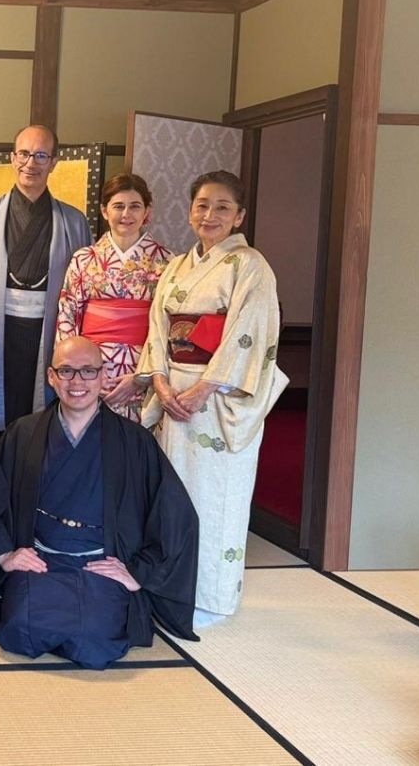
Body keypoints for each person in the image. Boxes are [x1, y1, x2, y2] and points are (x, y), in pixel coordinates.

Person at [0, 337, 198, 669]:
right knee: (19, 630)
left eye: (88, 371)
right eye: (66, 371)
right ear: (51, 377)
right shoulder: (23, 433)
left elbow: (175, 515)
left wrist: (138, 573)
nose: (77, 382)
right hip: (39, 558)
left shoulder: (134, 441)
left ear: (104, 376)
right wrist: (5, 553)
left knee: (95, 642)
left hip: (101, 562)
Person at [136, 170, 288, 628]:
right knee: (173, 496)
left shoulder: (251, 266)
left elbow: (249, 335)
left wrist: (203, 388)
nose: (210, 215)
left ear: (239, 216)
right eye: (202, 205)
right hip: (174, 395)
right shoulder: (177, 266)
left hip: (218, 399)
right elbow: (158, 329)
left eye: (223, 207)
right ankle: (170, 590)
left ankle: (210, 598)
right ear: (190, 211)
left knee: (215, 497)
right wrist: (161, 384)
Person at [0, 124, 92, 441]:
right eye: (24, 154)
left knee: (41, 416)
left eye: (41, 155)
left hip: (49, 330)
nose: (31, 163)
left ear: (54, 162)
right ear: (12, 158)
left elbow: (85, 290)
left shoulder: (74, 221)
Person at [56, 173, 172, 421]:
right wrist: (80, 371)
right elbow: (67, 315)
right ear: (104, 211)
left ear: (147, 211)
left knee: (136, 438)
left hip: (141, 369)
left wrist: (141, 376)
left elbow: (166, 326)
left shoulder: (167, 262)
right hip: (88, 371)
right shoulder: (83, 259)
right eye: (118, 206)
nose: (126, 214)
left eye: (135, 206)